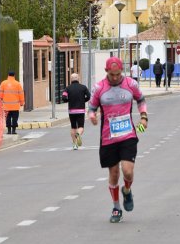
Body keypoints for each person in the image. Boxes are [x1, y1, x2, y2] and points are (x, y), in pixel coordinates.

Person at [89, 57, 148, 223]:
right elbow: (91, 108)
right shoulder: (99, 88)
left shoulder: (131, 84)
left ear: (122, 71)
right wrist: (92, 117)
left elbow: (141, 100)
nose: (115, 77)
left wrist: (144, 117)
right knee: (114, 173)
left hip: (128, 134)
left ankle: (127, 191)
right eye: (112, 74)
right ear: (106, 71)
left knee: (127, 171)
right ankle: (116, 207)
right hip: (108, 137)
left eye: (118, 74)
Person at [62, 73, 91, 150]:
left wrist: (69, 100)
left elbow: (63, 97)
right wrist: (83, 101)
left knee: (73, 127)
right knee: (81, 127)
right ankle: (78, 134)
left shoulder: (67, 88)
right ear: (78, 78)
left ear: (71, 79)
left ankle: (75, 144)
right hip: (81, 110)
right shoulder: (83, 87)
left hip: (72, 111)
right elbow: (88, 96)